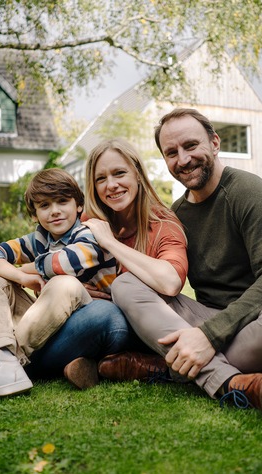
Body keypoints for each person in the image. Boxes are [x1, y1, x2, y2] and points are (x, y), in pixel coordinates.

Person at [100, 108, 262, 418]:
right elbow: (163, 284)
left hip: (258, 325)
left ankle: (164, 366)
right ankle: (229, 382)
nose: (183, 159)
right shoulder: (177, 214)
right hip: (205, 319)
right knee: (126, 284)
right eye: (171, 152)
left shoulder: (249, 192)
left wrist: (208, 336)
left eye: (191, 146)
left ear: (215, 143)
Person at [0, 168, 121, 405]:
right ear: (35, 214)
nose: (55, 211)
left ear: (79, 205)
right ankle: (1, 360)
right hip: (49, 323)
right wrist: (21, 278)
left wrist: (26, 269)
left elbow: (64, 263)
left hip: (86, 320)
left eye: (62, 201)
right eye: (45, 205)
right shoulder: (39, 239)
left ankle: (1, 360)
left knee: (64, 283)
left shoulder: (88, 232)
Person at [63, 138, 190, 381]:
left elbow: (171, 283)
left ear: (138, 176)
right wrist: (75, 286)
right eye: (101, 179)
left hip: (135, 325)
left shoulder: (164, 224)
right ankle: (86, 364)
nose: (111, 185)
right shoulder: (90, 221)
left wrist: (109, 242)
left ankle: (22, 364)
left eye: (119, 173)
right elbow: (56, 267)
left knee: (107, 318)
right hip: (87, 316)